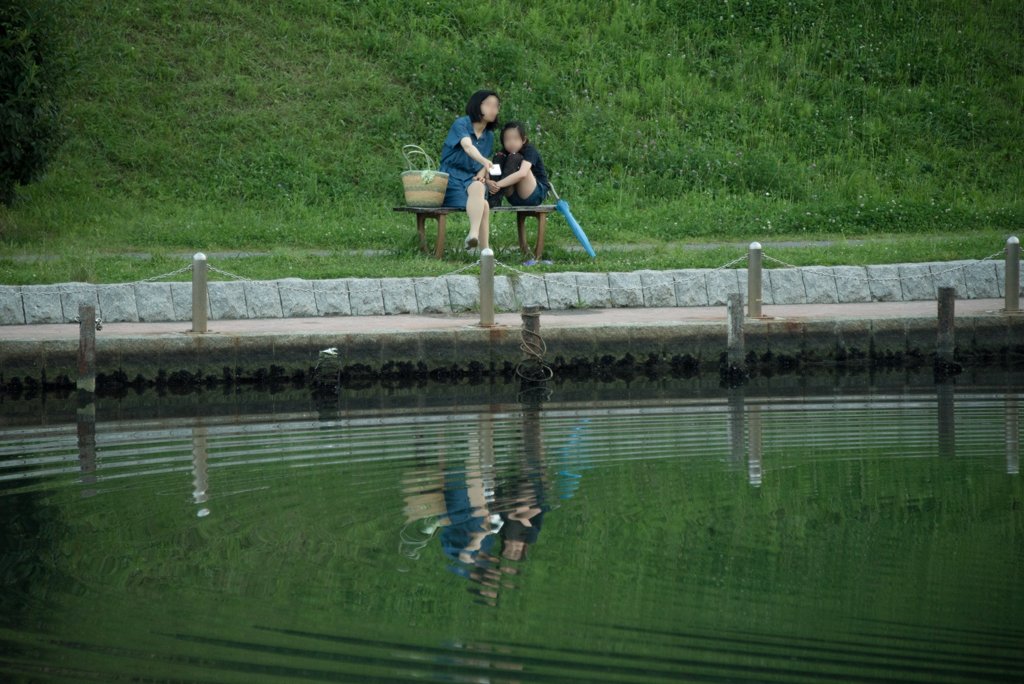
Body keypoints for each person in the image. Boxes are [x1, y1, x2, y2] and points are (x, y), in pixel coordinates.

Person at [438, 90, 501, 250]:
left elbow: (483, 163)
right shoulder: (461, 124)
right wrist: (485, 162)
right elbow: (467, 146)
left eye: (496, 106)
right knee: (484, 205)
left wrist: (481, 174)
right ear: (476, 105)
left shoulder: (489, 135)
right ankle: (484, 251)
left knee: (480, 186)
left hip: (470, 179)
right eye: (489, 105)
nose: (493, 109)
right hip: (450, 178)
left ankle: (473, 237)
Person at [487, 121, 550, 209]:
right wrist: (489, 183)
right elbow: (490, 170)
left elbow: (523, 173)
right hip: (513, 198)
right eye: (507, 139)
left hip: (534, 195)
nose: (511, 142)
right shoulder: (503, 153)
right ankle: (494, 198)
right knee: (499, 156)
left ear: (523, 140)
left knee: (515, 157)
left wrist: (498, 185)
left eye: (515, 139)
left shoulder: (529, 150)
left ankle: (497, 192)